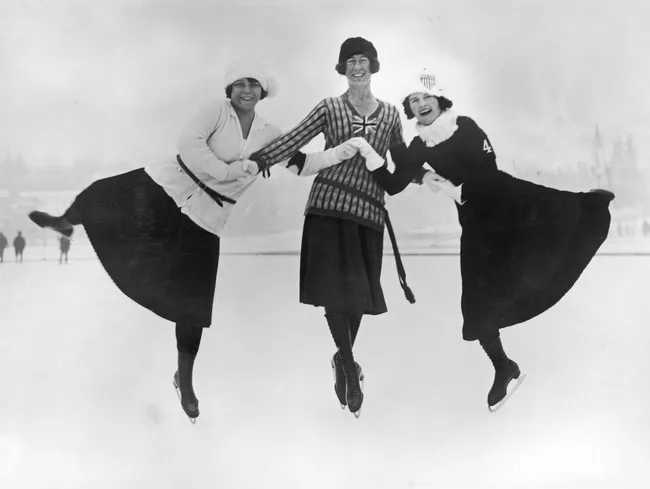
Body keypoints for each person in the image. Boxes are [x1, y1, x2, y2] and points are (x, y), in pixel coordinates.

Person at [27, 59, 359, 423]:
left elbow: (302, 164)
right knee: (104, 194)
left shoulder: (269, 134)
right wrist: (231, 170)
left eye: (254, 84)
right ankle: (65, 222)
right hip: (166, 186)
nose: (246, 90)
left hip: (208, 217)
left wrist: (339, 153)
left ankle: (183, 379)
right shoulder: (215, 111)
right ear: (229, 89)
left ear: (263, 92)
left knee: (193, 305)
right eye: (240, 84)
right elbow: (190, 147)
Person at [353, 70, 614, 412]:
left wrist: (451, 188)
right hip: (477, 225)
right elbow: (393, 182)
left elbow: (486, 171)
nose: (421, 104)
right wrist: (371, 151)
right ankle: (504, 367)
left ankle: (595, 207)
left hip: (510, 203)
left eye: (426, 97)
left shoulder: (464, 126)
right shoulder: (418, 144)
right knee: (476, 304)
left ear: (439, 99)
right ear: (410, 110)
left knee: (567, 216)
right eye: (413, 101)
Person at [247, 38, 422, 418]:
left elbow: (402, 163)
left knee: (357, 296)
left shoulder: (391, 115)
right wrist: (259, 159)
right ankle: (349, 372)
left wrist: (432, 159)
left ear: (373, 66)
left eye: (363, 61)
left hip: (370, 212)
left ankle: (343, 360)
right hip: (327, 207)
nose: (357, 67)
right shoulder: (329, 107)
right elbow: (294, 139)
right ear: (342, 68)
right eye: (350, 61)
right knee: (333, 291)